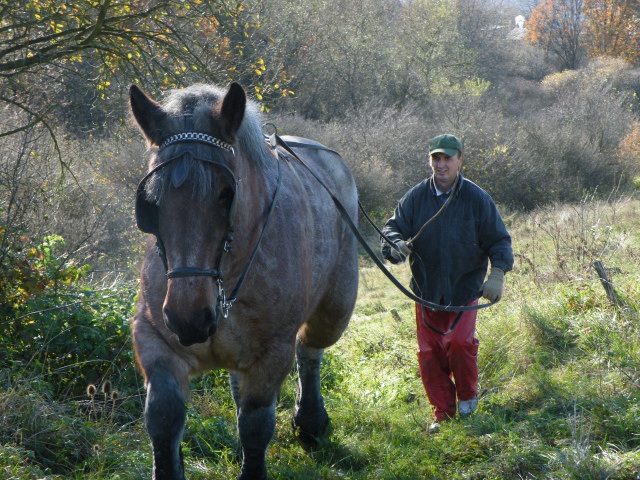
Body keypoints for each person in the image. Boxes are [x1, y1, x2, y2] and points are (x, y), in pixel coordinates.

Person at [381, 133, 514, 431]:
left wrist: (498, 273)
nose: (441, 165)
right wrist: (395, 244)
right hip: (426, 292)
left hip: (464, 289)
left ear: (460, 160)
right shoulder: (414, 198)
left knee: (459, 343)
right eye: (435, 159)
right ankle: (443, 414)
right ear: (429, 161)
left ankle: (467, 403)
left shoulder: (477, 198)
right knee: (429, 354)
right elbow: (391, 229)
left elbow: (499, 240)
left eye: (447, 158)